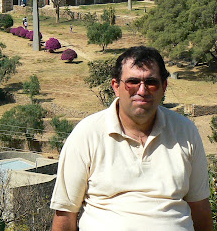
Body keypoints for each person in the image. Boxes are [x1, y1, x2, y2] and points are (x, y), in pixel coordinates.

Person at [50, 46, 213, 231]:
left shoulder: (185, 132)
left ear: (164, 87)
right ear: (116, 87)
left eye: (151, 82)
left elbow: (200, 209)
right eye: (133, 82)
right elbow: (65, 214)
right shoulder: (87, 134)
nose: (142, 91)